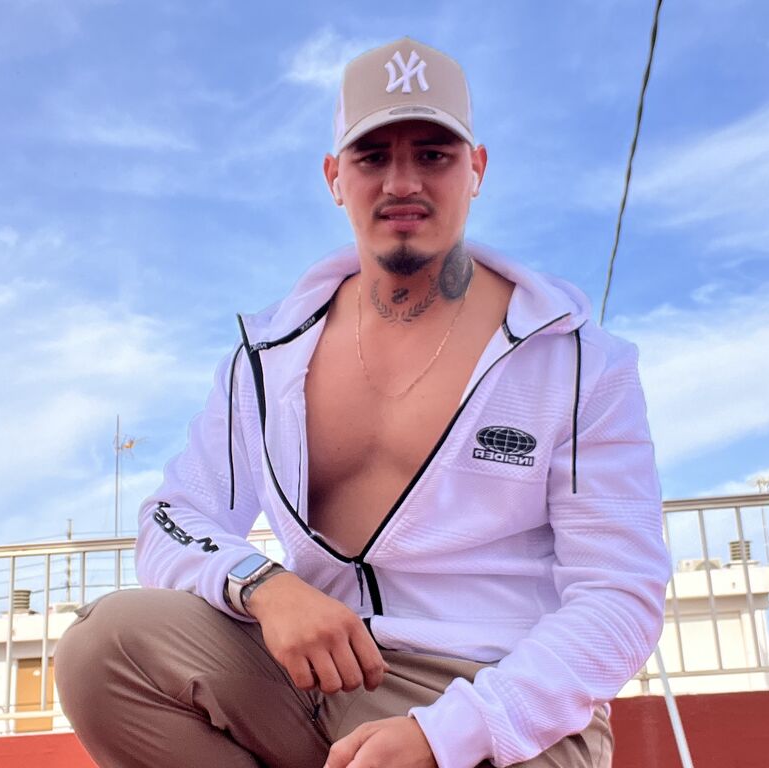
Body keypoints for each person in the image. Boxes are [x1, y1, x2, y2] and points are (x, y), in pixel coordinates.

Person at [54, 37, 671, 768]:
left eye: (433, 154)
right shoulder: (268, 360)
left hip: (493, 699)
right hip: (318, 677)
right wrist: (262, 585)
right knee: (107, 649)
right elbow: (173, 516)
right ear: (335, 178)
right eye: (373, 157)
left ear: (476, 169)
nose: (401, 182)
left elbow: (619, 594)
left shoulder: (576, 362)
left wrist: (447, 734)